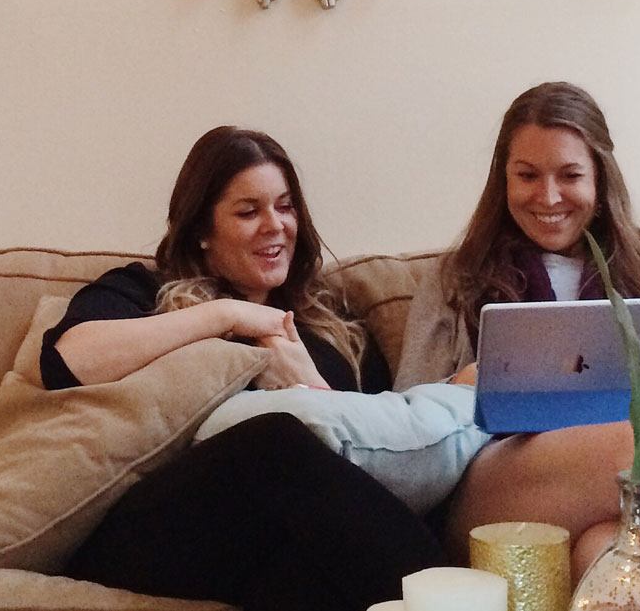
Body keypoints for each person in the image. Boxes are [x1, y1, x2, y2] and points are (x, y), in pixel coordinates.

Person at [42, 125, 445, 611]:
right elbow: (70, 361)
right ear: (200, 231)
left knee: (305, 577)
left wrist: (306, 380)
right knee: (274, 440)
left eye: (285, 206)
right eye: (248, 211)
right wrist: (227, 316)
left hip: (263, 551)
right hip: (148, 531)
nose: (275, 225)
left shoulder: (333, 328)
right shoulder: (143, 291)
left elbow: (369, 464)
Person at [395, 82, 640, 611]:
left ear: (600, 177)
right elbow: (409, 423)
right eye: (527, 176)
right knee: (633, 443)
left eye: (569, 175)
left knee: (608, 549)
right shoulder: (455, 280)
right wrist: (463, 384)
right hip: (488, 489)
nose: (548, 197)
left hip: (607, 495)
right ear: (503, 179)